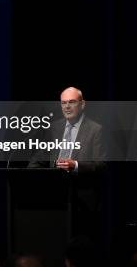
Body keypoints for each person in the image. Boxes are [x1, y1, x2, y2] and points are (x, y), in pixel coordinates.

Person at [28, 87, 107, 242]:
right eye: (63, 103)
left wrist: (75, 165)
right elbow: (38, 159)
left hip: (82, 203)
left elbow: (101, 164)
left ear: (82, 104)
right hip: (53, 199)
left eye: (71, 102)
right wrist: (32, 176)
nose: (67, 107)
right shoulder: (54, 128)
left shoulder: (95, 130)